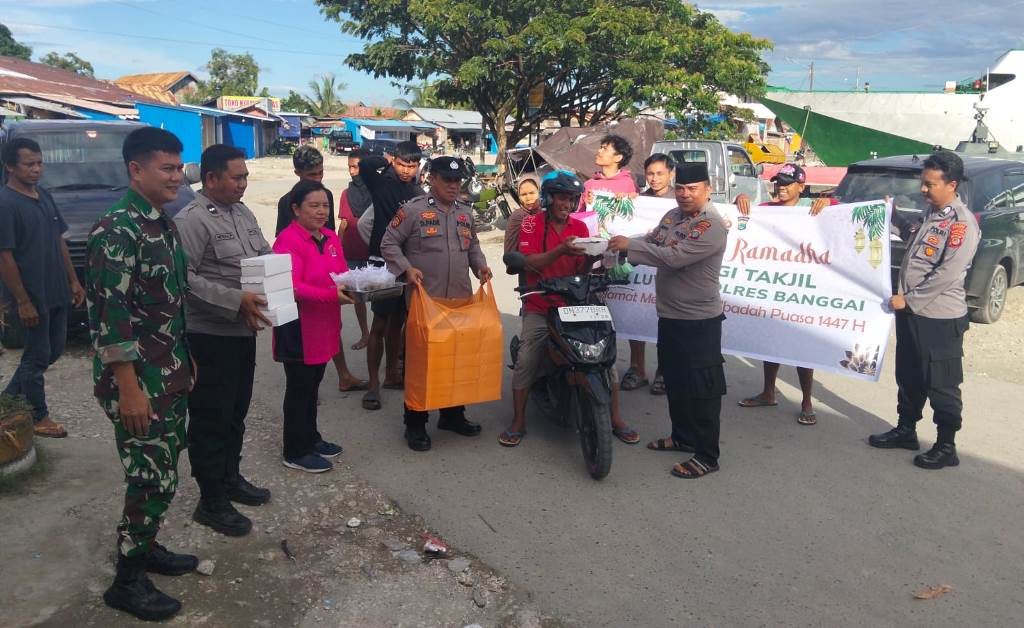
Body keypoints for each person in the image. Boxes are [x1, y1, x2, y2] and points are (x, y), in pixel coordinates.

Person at [85, 127, 197, 621]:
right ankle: (126, 581)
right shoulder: (118, 230)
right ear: (136, 170)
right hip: (137, 384)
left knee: (166, 472)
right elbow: (111, 319)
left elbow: (169, 305)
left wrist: (185, 361)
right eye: (167, 169)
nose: (178, 176)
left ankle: (145, 545)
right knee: (149, 477)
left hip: (167, 373)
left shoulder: (159, 222)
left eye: (179, 167)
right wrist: (130, 391)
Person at [173, 145, 274, 538]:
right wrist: (236, 301)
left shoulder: (242, 211)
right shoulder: (191, 220)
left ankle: (230, 479)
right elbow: (185, 280)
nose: (243, 184)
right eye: (236, 177)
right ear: (211, 178)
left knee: (235, 413)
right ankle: (210, 500)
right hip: (210, 336)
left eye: (246, 177)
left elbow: (263, 256)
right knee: (210, 419)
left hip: (241, 332)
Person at [499, 171, 639, 447]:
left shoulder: (581, 228)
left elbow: (582, 269)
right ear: (549, 199)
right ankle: (518, 420)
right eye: (562, 198)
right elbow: (528, 263)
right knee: (528, 356)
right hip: (541, 301)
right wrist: (560, 251)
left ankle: (615, 417)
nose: (567, 204)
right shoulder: (530, 225)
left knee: (605, 355)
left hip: (576, 301)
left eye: (572, 199)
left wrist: (593, 257)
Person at [608, 162, 728, 479]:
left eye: (693, 189)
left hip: (699, 321)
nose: (685, 195)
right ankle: (682, 436)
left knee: (702, 388)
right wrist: (618, 240)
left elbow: (674, 258)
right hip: (670, 316)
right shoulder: (672, 216)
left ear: (707, 189)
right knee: (675, 380)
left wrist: (630, 246)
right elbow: (654, 240)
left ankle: (706, 454)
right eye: (681, 189)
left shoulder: (711, 226)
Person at [868, 151, 980, 469]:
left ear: (952, 184)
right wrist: (893, 215)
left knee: (941, 383)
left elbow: (948, 273)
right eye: (923, 183)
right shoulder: (929, 215)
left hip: (939, 319)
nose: (923, 190)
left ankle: (946, 445)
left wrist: (911, 300)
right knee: (910, 374)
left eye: (930, 184)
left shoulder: (961, 224)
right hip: (912, 315)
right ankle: (906, 430)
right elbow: (911, 238)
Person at [380, 156, 492, 452]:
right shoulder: (412, 211)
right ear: (432, 179)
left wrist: (480, 266)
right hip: (424, 302)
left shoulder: (466, 214)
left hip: (458, 300)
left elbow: (474, 247)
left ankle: (453, 415)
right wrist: (405, 268)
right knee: (421, 364)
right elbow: (388, 243)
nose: (454, 186)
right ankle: (415, 424)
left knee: (455, 359)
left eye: (458, 181)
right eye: (448, 180)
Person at [732, 163, 837, 425]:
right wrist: (739, 199)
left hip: (802, 289)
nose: (781, 187)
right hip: (775, 288)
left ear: (802, 187)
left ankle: (806, 400)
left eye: (788, 183)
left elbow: (846, 213)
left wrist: (829, 202)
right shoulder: (767, 211)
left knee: (801, 348)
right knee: (771, 341)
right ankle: (768, 391)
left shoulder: (811, 209)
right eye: (778, 181)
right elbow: (742, 215)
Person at [0, 137, 85, 438]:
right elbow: (5, 256)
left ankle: (8, 399)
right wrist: (22, 300)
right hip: (31, 294)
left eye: (39, 163)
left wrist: (73, 280)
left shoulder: (44, 196)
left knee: (52, 351)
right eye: (29, 164)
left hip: (56, 289)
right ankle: (38, 416)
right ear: (10, 166)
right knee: (36, 356)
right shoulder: (6, 204)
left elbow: (59, 239)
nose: (36, 169)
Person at [272, 180, 354, 472]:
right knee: (299, 389)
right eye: (314, 206)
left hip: (325, 324)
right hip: (299, 328)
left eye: (325, 206)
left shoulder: (330, 237)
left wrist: (363, 284)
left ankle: (311, 438)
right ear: (296, 209)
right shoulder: (287, 241)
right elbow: (292, 287)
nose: (322, 212)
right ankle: (295, 450)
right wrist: (330, 295)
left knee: (313, 385)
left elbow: (342, 273)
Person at [359, 140, 424, 412]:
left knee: (398, 321)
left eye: (412, 165)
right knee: (380, 324)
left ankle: (391, 376)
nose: (406, 170)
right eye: (402, 164)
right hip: (382, 263)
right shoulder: (381, 183)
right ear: (394, 161)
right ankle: (373, 384)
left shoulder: (418, 192)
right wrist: (388, 161)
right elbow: (364, 164)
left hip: (406, 264)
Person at [623, 153, 675, 397]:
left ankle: (664, 371)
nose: (654, 179)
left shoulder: (681, 198)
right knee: (636, 317)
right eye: (650, 174)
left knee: (666, 324)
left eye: (659, 173)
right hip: (642, 270)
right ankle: (637, 369)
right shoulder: (639, 200)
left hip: (670, 271)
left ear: (671, 174)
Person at [338, 148, 372, 352]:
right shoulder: (346, 194)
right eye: (349, 167)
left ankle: (379, 334)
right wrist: (337, 251)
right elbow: (343, 224)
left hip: (373, 252)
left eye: (356, 167)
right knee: (356, 298)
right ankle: (365, 333)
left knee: (380, 298)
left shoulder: (378, 192)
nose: (352, 171)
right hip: (351, 250)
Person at [274, 145, 336, 236]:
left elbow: (330, 232)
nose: (318, 179)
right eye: (312, 175)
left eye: (320, 173)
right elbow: (282, 240)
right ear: (297, 173)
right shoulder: (286, 202)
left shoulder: (327, 195)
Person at [503, 174, 542, 256]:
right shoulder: (518, 216)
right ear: (519, 197)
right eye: (523, 195)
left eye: (532, 193)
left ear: (539, 193)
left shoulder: (542, 213)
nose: (528, 198)